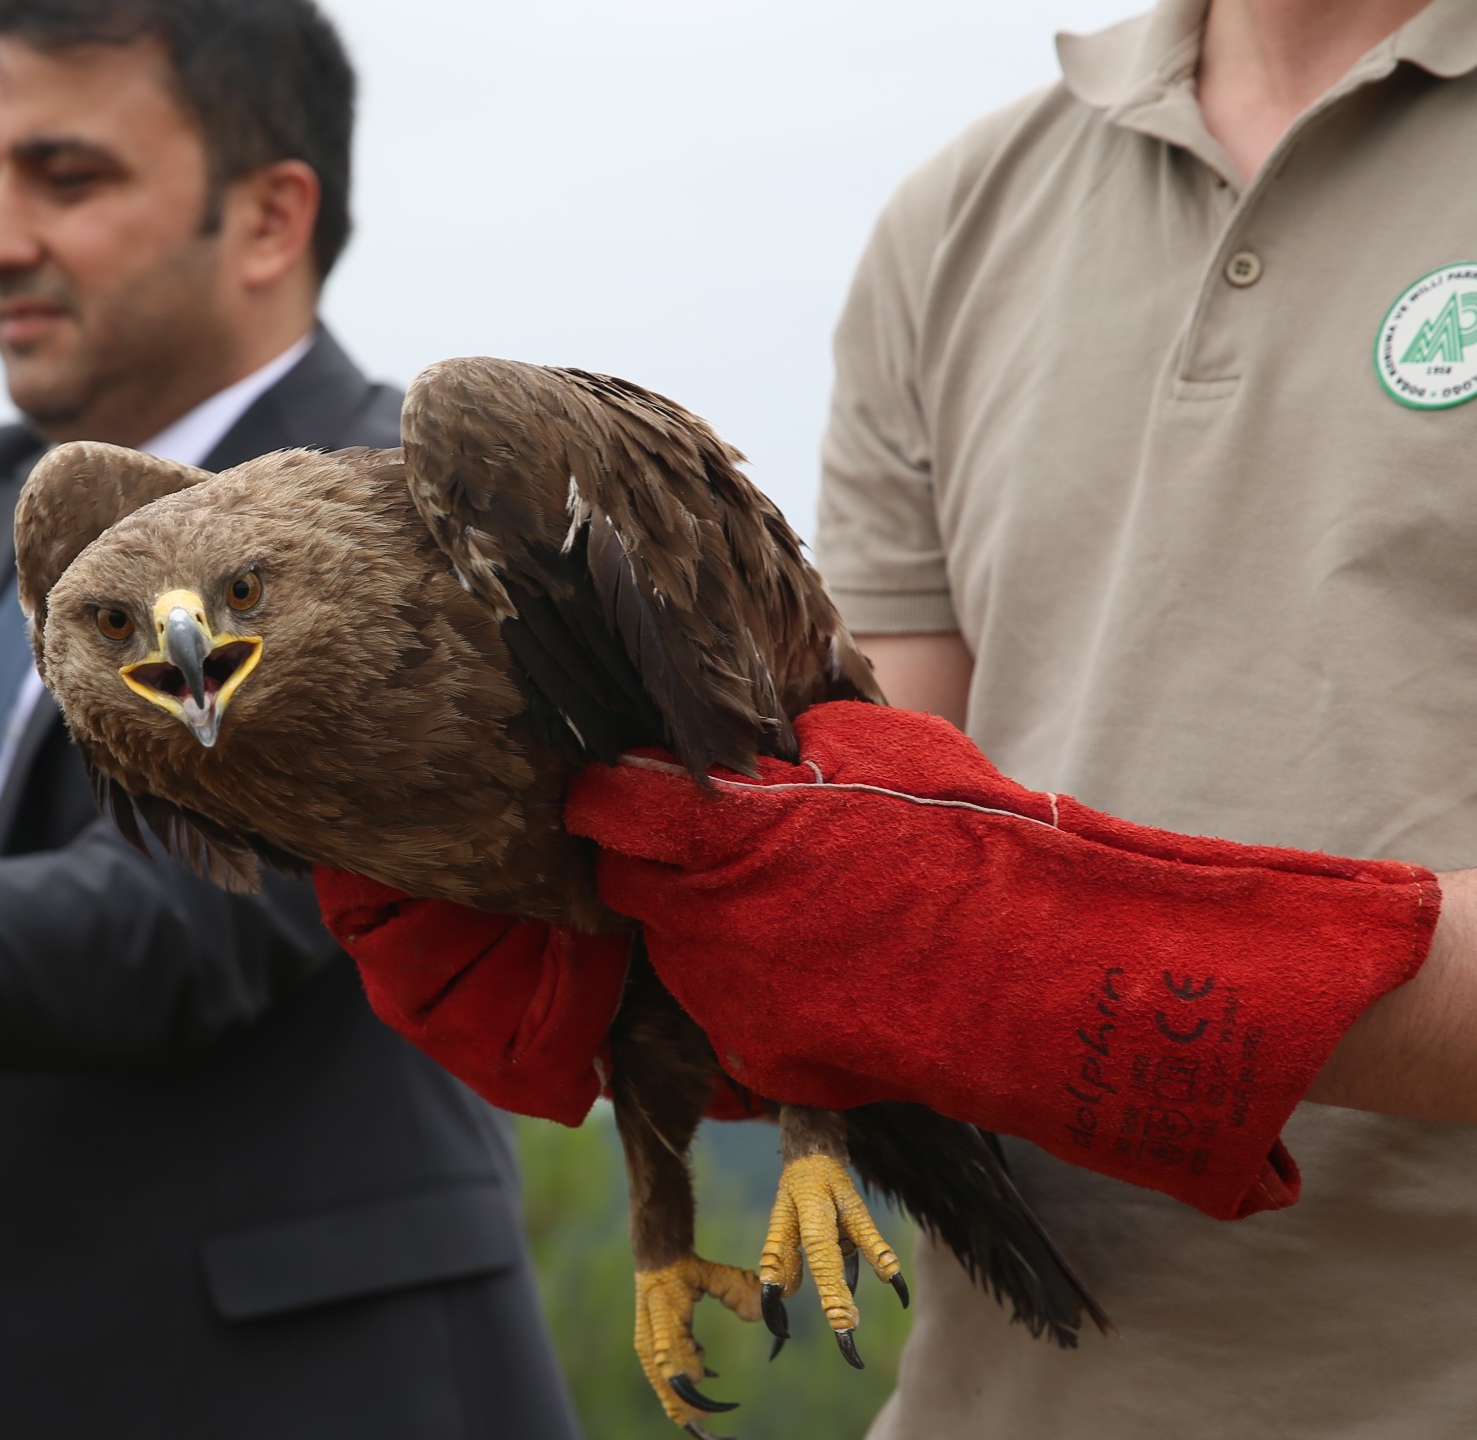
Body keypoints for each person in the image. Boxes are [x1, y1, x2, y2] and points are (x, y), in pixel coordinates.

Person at [569, 0, 1477, 1435]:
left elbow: (938, 921)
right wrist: (609, 927)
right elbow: (860, 815)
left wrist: (1068, 972)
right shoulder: (959, 217)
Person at [0, 3, 579, 1437]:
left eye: (66, 178)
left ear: (269, 218)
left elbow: (178, 932)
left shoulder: (414, 524)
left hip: (283, 1396)